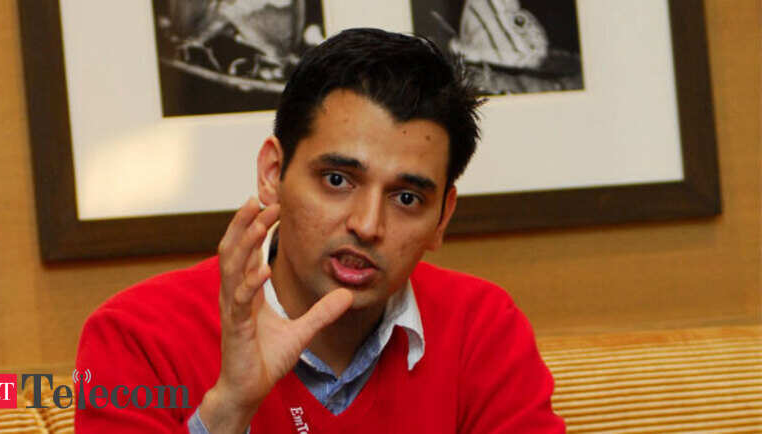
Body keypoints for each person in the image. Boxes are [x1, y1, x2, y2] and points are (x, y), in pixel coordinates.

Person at [75, 28, 565, 433]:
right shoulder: (137, 336)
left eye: (406, 198)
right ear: (273, 174)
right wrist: (230, 408)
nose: (367, 226)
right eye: (337, 180)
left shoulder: (482, 327)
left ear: (442, 218)